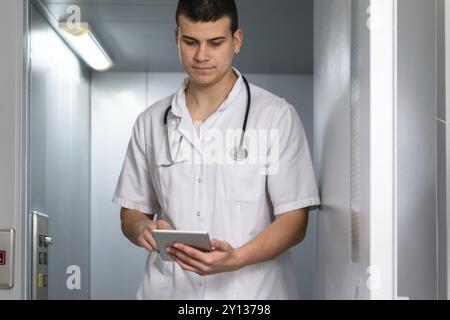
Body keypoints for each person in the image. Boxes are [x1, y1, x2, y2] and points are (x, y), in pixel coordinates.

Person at [113, 0, 321, 300]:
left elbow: (294, 221)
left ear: (236, 41)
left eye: (215, 42)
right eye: (190, 42)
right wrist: (142, 228)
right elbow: (131, 211)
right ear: (176, 39)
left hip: (250, 297)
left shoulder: (275, 117)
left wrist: (236, 258)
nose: (201, 56)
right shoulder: (150, 122)